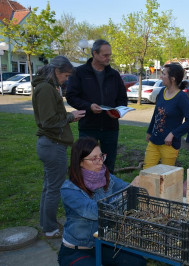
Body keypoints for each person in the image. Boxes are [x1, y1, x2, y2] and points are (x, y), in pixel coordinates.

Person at [58, 137, 146, 266]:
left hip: (102, 244)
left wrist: (136, 187)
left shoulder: (107, 177)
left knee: (137, 262)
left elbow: (126, 188)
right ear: (80, 162)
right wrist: (127, 194)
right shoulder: (69, 189)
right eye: (94, 159)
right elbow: (94, 211)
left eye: (101, 156)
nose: (100, 162)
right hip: (76, 250)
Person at [32, 56, 86, 238]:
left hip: (51, 144)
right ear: (56, 72)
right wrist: (70, 117)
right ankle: (50, 230)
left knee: (49, 187)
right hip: (53, 145)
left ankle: (47, 224)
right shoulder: (46, 89)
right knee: (54, 188)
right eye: (66, 75)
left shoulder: (47, 87)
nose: (67, 79)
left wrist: (68, 117)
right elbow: (48, 122)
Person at [66, 39, 128, 174]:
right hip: (88, 126)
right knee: (87, 163)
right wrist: (89, 106)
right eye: (105, 55)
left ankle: (107, 190)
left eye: (110, 55)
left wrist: (117, 111)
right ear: (94, 53)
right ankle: (87, 191)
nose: (108, 58)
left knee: (108, 164)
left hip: (110, 127)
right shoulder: (79, 72)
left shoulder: (114, 75)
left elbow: (123, 98)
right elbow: (71, 96)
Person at [144, 63, 189, 169]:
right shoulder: (162, 91)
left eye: (163, 74)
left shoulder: (181, 97)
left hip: (169, 145)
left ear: (172, 78)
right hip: (154, 141)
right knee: (147, 173)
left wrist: (173, 134)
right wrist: (149, 131)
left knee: (165, 177)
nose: (160, 76)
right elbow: (156, 114)